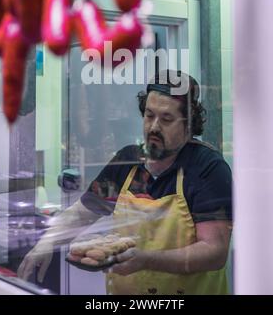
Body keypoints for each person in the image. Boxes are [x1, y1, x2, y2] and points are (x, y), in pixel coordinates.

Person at [18, 70, 232, 295]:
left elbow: (214, 252)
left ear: (188, 124)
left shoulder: (208, 168)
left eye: (166, 119)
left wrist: (145, 260)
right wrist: (46, 243)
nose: (154, 127)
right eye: (149, 115)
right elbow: (81, 213)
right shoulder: (127, 161)